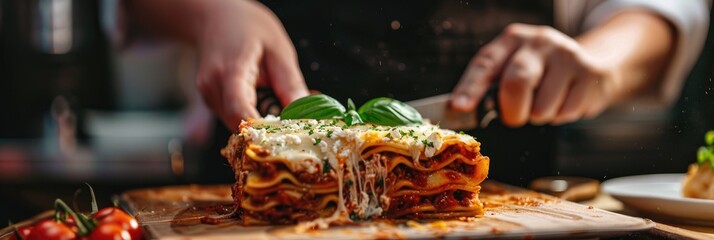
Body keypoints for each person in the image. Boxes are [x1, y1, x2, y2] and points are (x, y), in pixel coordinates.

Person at [124, 0, 710, 185]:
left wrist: (600, 63)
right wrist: (212, 13)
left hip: (511, 199)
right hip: (263, 196)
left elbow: (663, 6)